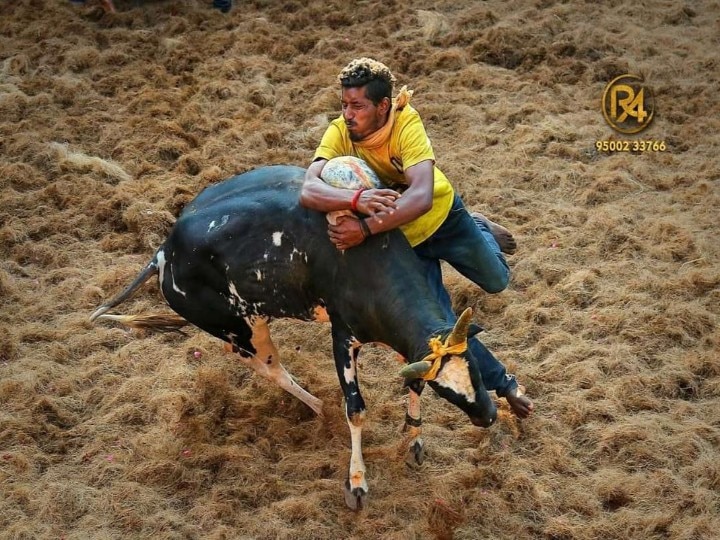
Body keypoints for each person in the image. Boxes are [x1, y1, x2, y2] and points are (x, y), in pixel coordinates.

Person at [300, 58, 533, 418]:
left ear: (383, 106)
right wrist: (357, 199)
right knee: (438, 329)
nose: (348, 114)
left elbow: (421, 196)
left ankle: (480, 226)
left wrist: (363, 229)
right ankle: (501, 383)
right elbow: (308, 189)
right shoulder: (339, 130)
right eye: (344, 104)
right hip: (402, 241)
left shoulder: (406, 122)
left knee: (497, 281)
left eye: (357, 106)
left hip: (443, 219)